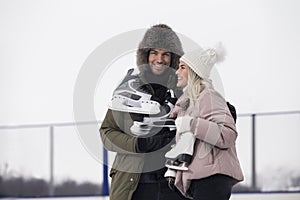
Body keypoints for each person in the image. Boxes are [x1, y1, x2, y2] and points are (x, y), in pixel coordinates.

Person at [100, 24, 188, 200]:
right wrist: (138, 144)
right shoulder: (128, 89)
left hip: (174, 184)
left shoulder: (184, 90)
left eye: (166, 54)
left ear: (174, 59)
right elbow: (107, 132)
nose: (160, 59)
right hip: (135, 184)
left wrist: (222, 111)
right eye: (154, 53)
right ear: (145, 55)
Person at [165, 45, 244, 199]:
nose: (177, 72)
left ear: (194, 72)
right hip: (198, 178)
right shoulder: (188, 102)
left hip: (212, 178)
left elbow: (227, 135)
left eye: (182, 68)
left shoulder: (208, 96)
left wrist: (191, 124)